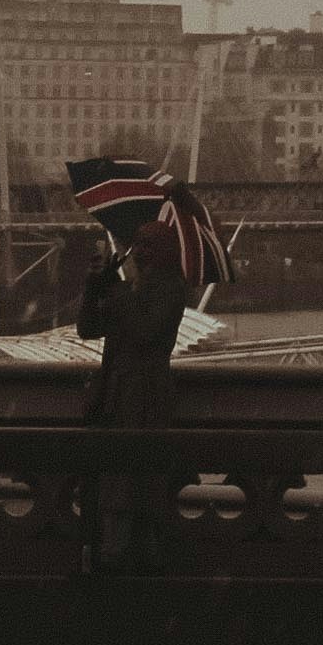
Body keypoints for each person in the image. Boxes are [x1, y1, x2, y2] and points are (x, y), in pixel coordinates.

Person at [76, 219, 189, 572]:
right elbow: (87, 328)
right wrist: (94, 287)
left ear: (166, 252)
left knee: (136, 482)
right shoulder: (129, 290)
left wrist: (116, 291)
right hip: (117, 393)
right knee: (114, 479)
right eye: (137, 243)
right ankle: (115, 551)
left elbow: (146, 332)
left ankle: (129, 555)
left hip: (146, 395)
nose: (139, 251)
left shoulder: (172, 289)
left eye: (149, 245)